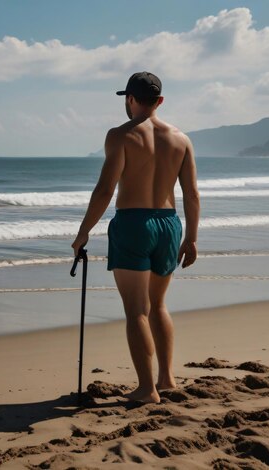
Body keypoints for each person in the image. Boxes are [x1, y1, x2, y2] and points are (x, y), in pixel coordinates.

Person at [71, 71, 200, 404]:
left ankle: (146, 389)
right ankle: (167, 379)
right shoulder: (181, 139)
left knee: (136, 311)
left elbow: (104, 190)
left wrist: (83, 232)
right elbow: (192, 194)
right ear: (159, 102)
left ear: (129, 99)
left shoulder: (120, 136)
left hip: (133, 224)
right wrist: (192, 238)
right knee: (158, 305)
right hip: (170, 225)